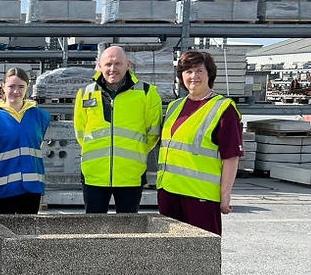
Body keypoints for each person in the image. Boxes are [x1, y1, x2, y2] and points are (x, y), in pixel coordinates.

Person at [157, 50, 243, 236]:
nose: (193, 76)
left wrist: (225, 195)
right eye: (188, 71)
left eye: (199, 71)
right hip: (169, 194)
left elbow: (231, 156)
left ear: (209, 74)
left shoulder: (223, 108)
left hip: (200, 198)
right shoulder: (174, 107)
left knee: (202, 257)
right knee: (169, 254)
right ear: (181, 76)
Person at [74, 45, 162, 213]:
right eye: (108, 64)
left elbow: (153, 133)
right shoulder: (85, 93)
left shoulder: (146, 93)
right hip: (94, 175)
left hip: (130, 174)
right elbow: (80, 131)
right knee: (94, 229)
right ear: (100, 66)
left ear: (127, 64)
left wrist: (134, 153)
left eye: (118, 63)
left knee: (128, 231)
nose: (112, 68)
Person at [0, 68, 51, 214]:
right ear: (3, 87)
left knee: (29, 234)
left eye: (21, 87)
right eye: (11, 86)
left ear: (27, 87)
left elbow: (37, 146)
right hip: (3, 189)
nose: (16, 91)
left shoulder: (40, 117)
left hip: (32, 187)